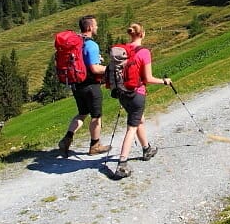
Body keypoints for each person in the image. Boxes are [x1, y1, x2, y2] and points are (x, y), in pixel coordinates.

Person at [111, 22, 169, 179]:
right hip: (137, 93)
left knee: (139, 120)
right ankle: (122, 164)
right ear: (142, 34)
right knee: (132, 127)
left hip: (122, 94)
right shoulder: (144, 52)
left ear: (130, 34)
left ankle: (146, 148)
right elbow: (148, 78)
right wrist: (164, 81)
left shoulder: (121, 52)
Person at [58, 15, 111, 158]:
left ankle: (66, 139)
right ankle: (95, 145)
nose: (97, 27)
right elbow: (95, 69)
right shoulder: (91, 45)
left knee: (82, 113)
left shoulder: (76, 43)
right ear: (89, 27)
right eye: (95, 25)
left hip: (76, 84)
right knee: (96, 116)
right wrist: (110, 68)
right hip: (90, 85)